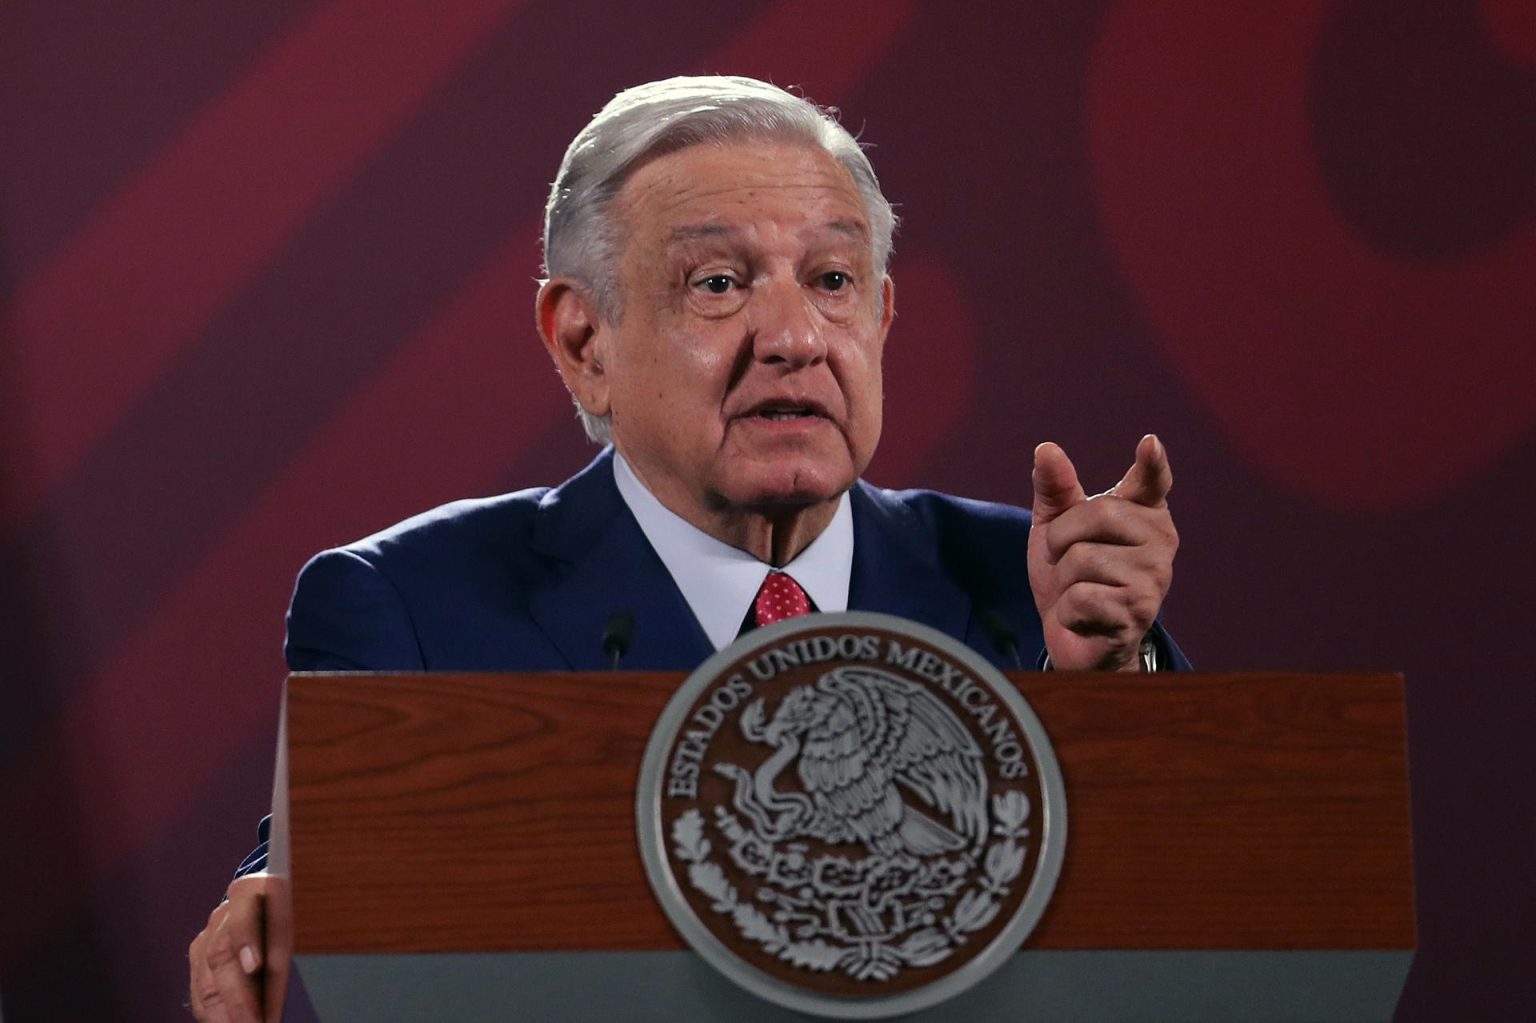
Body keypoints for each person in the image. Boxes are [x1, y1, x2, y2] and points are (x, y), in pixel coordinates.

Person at [187, 75, 1179, 1021]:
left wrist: (1105, 692)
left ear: (878, 320)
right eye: (719, 282)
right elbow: (305, 892)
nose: (794, 336)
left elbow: (1203, 927)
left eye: (832, 279)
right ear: (586, 343)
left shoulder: (1031, 591)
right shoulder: (411, 603)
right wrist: (282, 912)